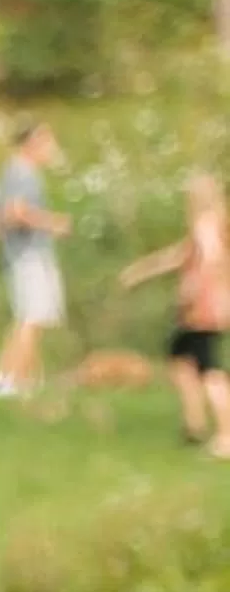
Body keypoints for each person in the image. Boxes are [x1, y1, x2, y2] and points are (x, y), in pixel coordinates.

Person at [116, 171, 230, 457]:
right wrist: (140, 272)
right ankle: (194, 425)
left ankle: (226, 436)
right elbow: (178, 256)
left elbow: (212, 261)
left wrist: (196, 293)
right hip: (201, 309)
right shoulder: (208, 226)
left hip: (201, 309)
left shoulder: (207, 224)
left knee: (209, 369)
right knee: (181, 360)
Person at [0, 121, 71, 400]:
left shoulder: (15, 172)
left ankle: (24, 381)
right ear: (33, 143)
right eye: (49, 142)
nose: (52, 149)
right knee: (30, 317)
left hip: (25, 253)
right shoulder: (22, 172)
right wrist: (52, 223)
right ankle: (6, 380)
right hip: (29, 254)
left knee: (35, 318)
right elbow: (15, 212)